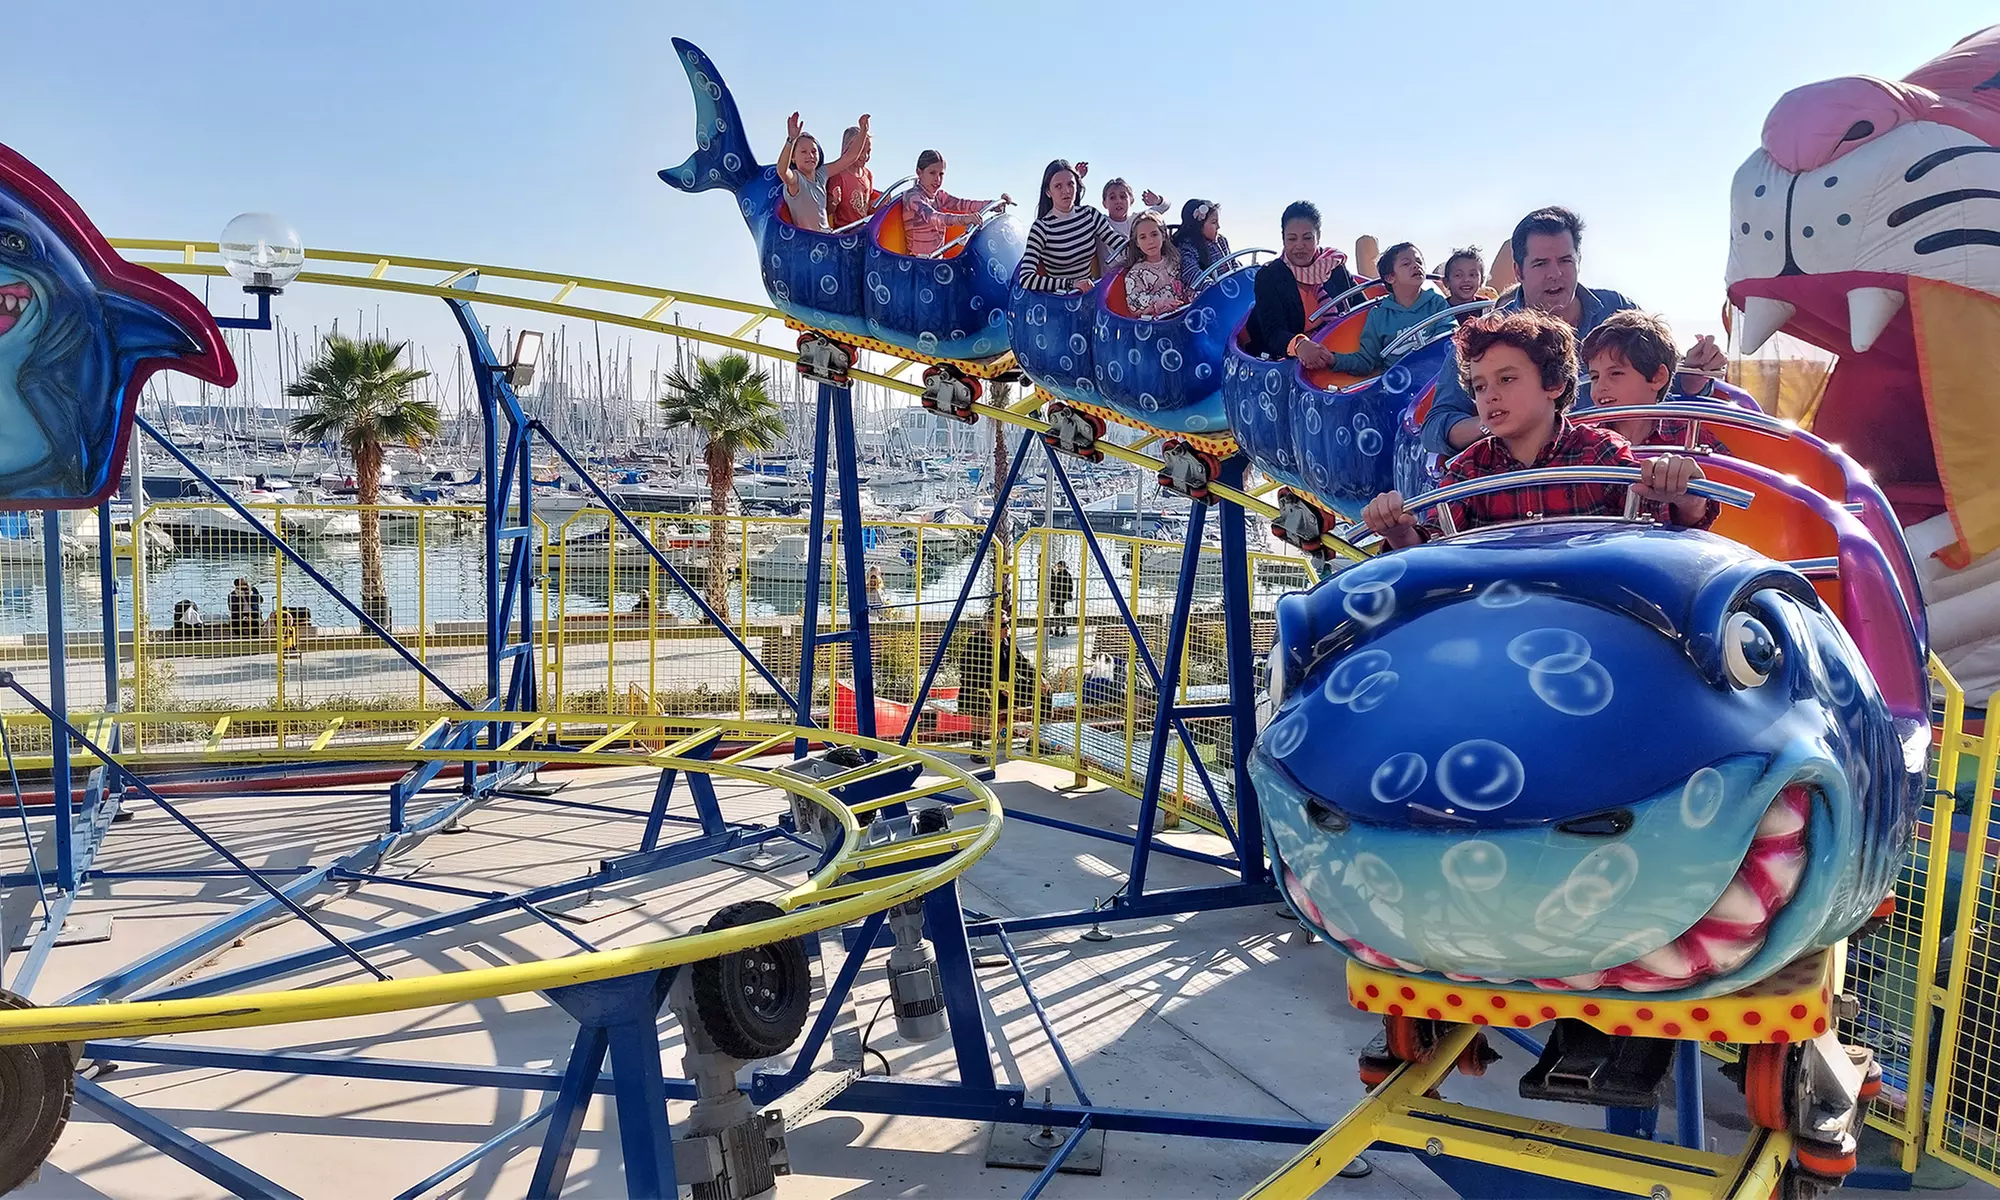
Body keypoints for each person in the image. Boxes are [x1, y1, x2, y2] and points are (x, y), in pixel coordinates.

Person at [1361, 310, 1716, 548]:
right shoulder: (1466, 470)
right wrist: (1399, 531)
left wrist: (1686, 494)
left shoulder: (1602, 453)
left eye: (1507, 379)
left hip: (1590, 619)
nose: (1491, 396)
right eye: (1480, 387)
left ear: (1554, 385)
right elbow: (1435, 553)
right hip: (1500, 627)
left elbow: (1657, 536)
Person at [1420, 207, 1730, 456]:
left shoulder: (1618, 309)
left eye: (1565, 261)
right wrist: (1502, 421)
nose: (1555, 274)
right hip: (1536, 475)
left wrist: (1692, 377)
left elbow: (1658, 386)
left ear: (1578, 261)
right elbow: (1436, 427)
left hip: (1623, 471)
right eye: (1541, 263)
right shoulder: (1488, 334)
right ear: (1518, 271)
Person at [1580, 310, 1732, 450]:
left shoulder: (1690, 438)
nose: (1600, 386)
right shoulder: (1582, 442)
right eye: (1595, 377)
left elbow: (1732, 477)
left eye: (1616, 373)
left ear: (1657, 377)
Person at [1245, 201, 1359, 368]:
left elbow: (1361, 307)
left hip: (1336, 349)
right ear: (1283, 239)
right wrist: (1299, 345)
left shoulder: (1334, 265)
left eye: (1307, 238)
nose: (1299, 245)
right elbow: (1273, 333)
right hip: (1282, 358)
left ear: (1318, 237)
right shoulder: (1269, 276)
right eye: (1292, 238)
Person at [1329, 243, 1454, 376]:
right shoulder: (1379, 315)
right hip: (1398, 386)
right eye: (1406, 264)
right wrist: (1333, 359)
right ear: (1390, 277)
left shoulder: (1436, 303)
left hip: (1433, 379)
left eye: (1419, 261)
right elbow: (1367, 361)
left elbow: (1447, 341)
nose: (1416, 266)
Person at [1016, 159, 1124, 293]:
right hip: (1059, 302)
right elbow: (1026, 278)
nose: (1066, 191)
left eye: (1070, 184)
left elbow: (1119, 244)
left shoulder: (1090, 214)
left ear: (1077, 186)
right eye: (1058, 186)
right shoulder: (1041, 228)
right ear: (1048, 192)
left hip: (1089, 296)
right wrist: (1072, 284)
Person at [901, 150, 1009, 258]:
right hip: (917, 261)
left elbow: (962, 204)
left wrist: (993, 204)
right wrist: (964, 220)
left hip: (935, 260)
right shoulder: (912, 196)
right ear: (919, 172)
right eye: (932, 173)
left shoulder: (939, 196)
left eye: (941, 174)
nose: (937, 179)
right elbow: (933, 217)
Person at [777, 111, 871, 232]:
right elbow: (782, 171)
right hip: (810, 242)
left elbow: (849, 158)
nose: (810, 155)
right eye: (803, 152)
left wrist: (863, 131)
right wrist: (791, 140)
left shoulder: (821, 174)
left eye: (813, 151)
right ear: (793, 158)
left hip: (827, 236)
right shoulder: (796, 180)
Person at [1121, 212, 1192, 317]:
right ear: (1137, 243)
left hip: (1185, 314)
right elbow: (1134, 303)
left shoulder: (1175, 261)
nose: (1150, 241)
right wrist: (1161, 304)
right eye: (1143, 237)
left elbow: (1187, 284)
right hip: (1158, 324)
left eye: (1154, 234)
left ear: (1163, 235)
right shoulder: (1135, 273)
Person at [1173, 199, 1232, 290]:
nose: (1218, 226)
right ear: (1198, 225)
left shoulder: (1221, 240)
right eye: (1214, 222)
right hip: (1211, 295)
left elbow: (1232, 262)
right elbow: (1191, 273)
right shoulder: (1187, 246)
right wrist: (1215, 288)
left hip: (1231, 288)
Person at [826, 123, 875, 230]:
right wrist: (834, 201)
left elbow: (867, 207)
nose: (865, 156)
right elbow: (828, 210)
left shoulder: (868, 175)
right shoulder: (838, 175)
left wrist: (880, 203)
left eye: (868, 151)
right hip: (845, 231)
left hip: (863, 228)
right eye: (861, 151)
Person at [1101, 177, 1168, 245]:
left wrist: (1158, 200)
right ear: (1104, 203)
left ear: (1131, 200)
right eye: (1112, 197)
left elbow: (1164, 206)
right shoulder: (1100, 222)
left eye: (1123, 196)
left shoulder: (1138, 219)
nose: (1118, 201)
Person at [1048, 559, 1075, 636]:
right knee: (1060, 612)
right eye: (1058, 566)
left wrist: (1059, 589)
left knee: (1058, 613)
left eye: (1059, 566)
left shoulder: (1059, 575)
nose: (1058, 568)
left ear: (1063, 566)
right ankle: (1061, 630)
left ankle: (1059, 630)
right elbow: (1071, 588)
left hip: (1060, 596)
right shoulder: (1068, 575)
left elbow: (1055, 585)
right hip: (1064, 597)